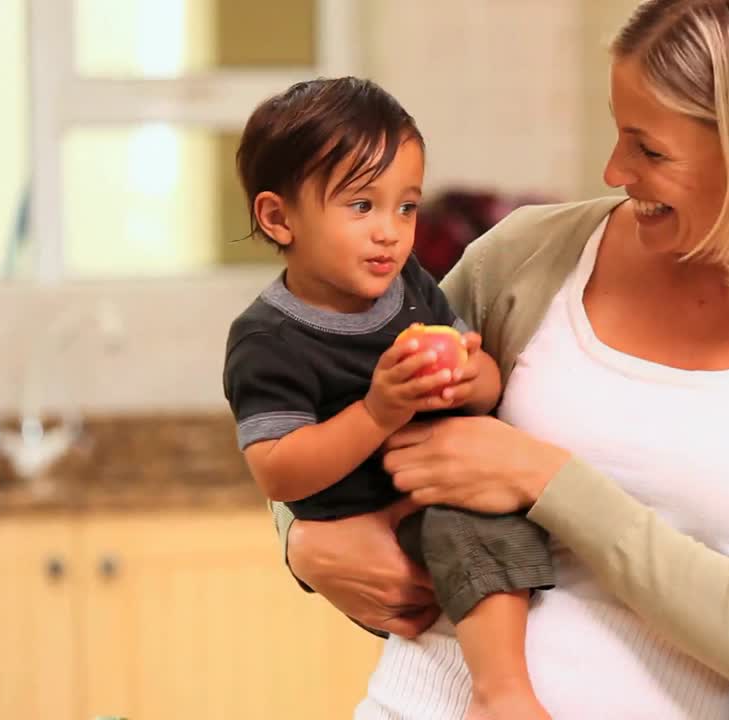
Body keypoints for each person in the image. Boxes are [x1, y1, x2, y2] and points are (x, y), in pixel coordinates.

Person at [272, 1, 729, 718]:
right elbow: (324, 405)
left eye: (650, 149)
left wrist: (541, 476)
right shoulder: (528, 256)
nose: (614, 170)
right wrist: (301, 542)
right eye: (618, 133)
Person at [222, 77, 555, 720]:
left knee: (481, 521)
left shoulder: (409, 287)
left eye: (406, 207)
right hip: (373, 530)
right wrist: (378, 412)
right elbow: (279, 469)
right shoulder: (267, 339)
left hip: (435, 499)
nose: (391, 233)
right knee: (468, 526)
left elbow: (483, 381)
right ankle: (502, 694)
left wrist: (469, 374)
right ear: (277, 217)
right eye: (361, 206)